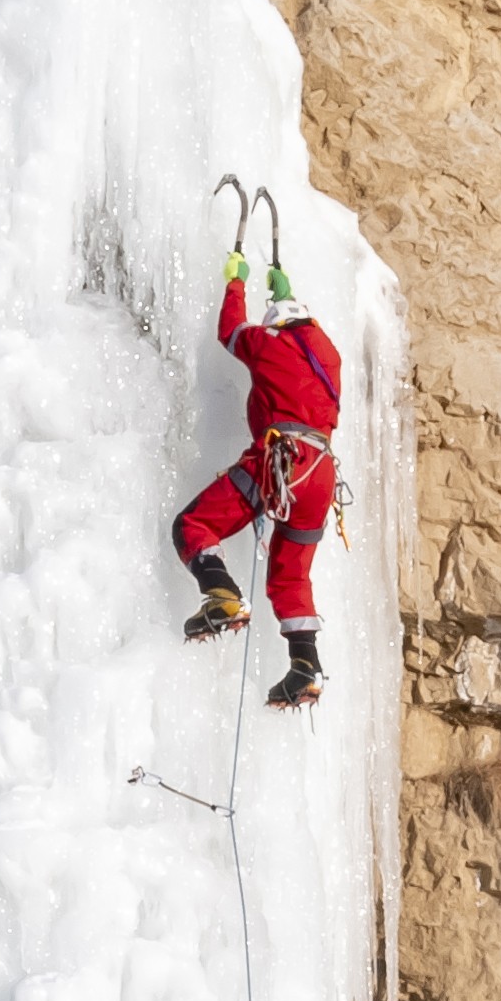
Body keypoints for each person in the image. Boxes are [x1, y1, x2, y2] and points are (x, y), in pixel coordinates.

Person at [173, 245, 341, 709]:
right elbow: (305, 336)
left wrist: (236, 281)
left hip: (282, 462)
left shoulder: (272, 346)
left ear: (277, 327)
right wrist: (284, 291)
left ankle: (222, 596)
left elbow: (232, 331)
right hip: (321, 474)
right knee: (290, 577)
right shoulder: (329, 357)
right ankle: (305, 667)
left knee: (193, 526)